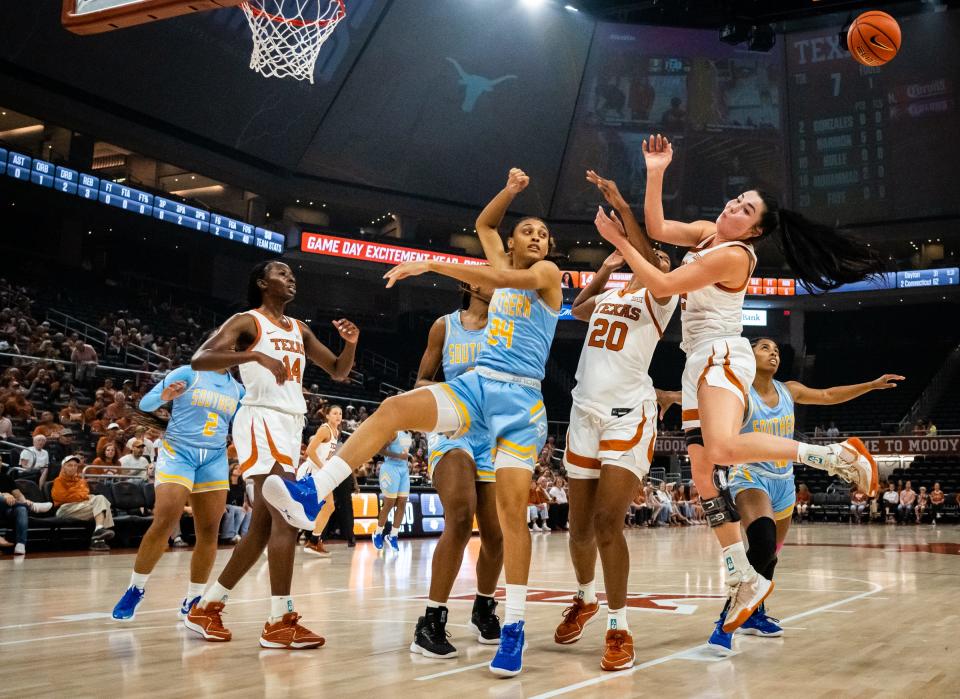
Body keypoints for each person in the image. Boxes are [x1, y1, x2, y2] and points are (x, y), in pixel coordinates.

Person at [263, 168, 560, 677]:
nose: (538, 237)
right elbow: (486, 226)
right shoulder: (484, 275)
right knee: (396, 407)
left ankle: (512, 627)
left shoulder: (546, 274)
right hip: (478, 386)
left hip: (519, 403)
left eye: (544, 233)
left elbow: (504, 277)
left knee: (508, 521)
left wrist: (433, 265)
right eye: (528, 230)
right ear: (513, 240)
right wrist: (509, 193)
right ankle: (314, 490)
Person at [593, 133, 885, 632]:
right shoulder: (709, 233)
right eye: (739, 197)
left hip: (722, 353)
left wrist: (621, 241)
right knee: (705, 475)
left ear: (753, 231)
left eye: (746, 207)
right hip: (694, 360)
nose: (735, 203)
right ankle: (741, 574)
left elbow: (662, 285)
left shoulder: (735, 256)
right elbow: (661, 227)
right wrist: (657, 169)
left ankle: (836, 457)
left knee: (725, 449)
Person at [184, 260, 358, 649]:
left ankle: (207, 607)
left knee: (264, 525)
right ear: (262, 282)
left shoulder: (299, 328)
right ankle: (280, 619)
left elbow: (337, 371)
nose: (291, 277)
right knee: (286, 515)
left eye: (292, 274)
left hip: (289, 423)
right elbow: (201, 358)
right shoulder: (247, 322)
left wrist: (350, 344)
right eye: (281, 273)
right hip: (260, 420)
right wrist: (253, 357)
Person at [695, 337, 900, 653]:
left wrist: (871, 385)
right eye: (764, 348)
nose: (773, 353)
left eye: (776, 350)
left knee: (770, 555)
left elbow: (829, 395)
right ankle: (726, 620)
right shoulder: (739, 393)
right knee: (761, 542)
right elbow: (707, 403)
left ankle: (754, 614)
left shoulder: (788, 390)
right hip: (750, 477)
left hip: (784, 483)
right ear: (748, 355)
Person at [558, 168, 678, 670]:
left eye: (663, 260)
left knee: (609, 522)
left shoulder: (661, 296)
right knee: (578, 527)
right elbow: (577, 308)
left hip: (629, 413)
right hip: (583, 410)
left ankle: (618, 625)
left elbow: (651, 261)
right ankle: (585, 597)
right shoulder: (613, 296)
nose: (659, 263)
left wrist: (626, 214)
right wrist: (608, 266)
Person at [409, 283, 504, 659]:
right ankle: (430, 621)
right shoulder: (444, 326)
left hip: (492, 436)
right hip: (453, 431)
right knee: (461, 517)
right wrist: (458, 395)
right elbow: (420, 381)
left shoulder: (505, 326)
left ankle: (483, 607)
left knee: (497, 533)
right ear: (469, 285)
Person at [111, 365, 244, 621]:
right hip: (179, 452)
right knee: (165, 519)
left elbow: (244, 423)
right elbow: (146, 404)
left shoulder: (238, 389)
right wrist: (165, 397)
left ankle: (194, 597)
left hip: (214, 457)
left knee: (209, 529)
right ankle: (135, 588)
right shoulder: (188, 373)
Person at [299, 404, 342, 557]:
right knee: (300, 508)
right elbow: (309, 451)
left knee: (329, 506)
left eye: (340, 413)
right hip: (311, 472)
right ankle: (311, 540)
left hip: (321, 472)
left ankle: (314, 540)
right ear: (328, 416)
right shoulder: (324, 429)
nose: (338, 416)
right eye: (335, 413)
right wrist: (323, 467)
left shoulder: (336, 432)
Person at [51, 454, 116, 549]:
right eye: (69, 465)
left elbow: (83, 493)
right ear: (63, 467)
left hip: (82, 507)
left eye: (75, 466)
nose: (73, 468)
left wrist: (80, 496)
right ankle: (98, 539)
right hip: (65, 509)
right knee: (101, 504)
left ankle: (99, 533)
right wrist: (84, 497)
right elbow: (62, 497)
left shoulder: (82, 481)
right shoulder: (58, 481)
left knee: (101, 500)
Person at [373, 429, 414, 552]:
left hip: (403, 470)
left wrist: (406, 458)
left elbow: (404, 452)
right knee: (389, 503)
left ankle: (393, 536)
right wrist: (399, 456)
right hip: (390, 468)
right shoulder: (394, 432)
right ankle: (378, 533)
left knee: (402, 503)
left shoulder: (409, 434)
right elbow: (380, 450)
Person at [0, 466, 53, 555]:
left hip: (8, 509)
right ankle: (32, 506)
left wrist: (24, 501)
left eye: (0, 460)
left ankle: (20, 544)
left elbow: (18, 494)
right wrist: (3, 495)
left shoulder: (6, 477)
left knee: (21, 509)